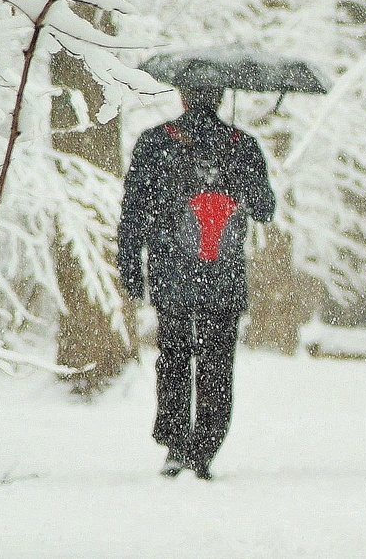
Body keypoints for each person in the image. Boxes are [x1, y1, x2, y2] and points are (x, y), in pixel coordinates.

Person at [118, 85, 275, 479]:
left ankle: (175, 445)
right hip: (223, 277)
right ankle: (205, 447)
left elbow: (134, 212)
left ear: (183, 98)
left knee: (172, 356)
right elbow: (265, 209)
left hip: (172, 274)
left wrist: (131, 267)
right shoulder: (243, 147)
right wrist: (238, 175)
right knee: (217, 363)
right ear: (222, 97)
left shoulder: (155, 143)